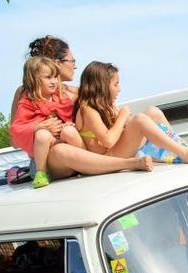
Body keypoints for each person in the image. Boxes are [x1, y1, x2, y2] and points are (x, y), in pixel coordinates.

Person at [10, 36, 160, 179]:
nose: (75, 66)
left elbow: (112, 119)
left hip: (85, 158)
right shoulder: (26, 92)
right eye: (72, 60)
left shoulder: (77, 93)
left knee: (149, 114)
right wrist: (37, 128)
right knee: (60, 150)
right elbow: (14, 141)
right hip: (52, 162)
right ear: (57, 63)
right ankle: (128, 163)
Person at [74, 61, 188, 164]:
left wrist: (124, 121)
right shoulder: (87, 109)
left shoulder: (106, 106)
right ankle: (185, 154)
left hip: (118, 150)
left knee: (153, 112)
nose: (119, 89)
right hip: (108, 159)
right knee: (139, 119)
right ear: (102, 86)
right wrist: (122, 116)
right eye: (116, 84)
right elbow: (108, 141)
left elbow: (118, 132)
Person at [8, 57, 85, 188]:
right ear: (34, 79)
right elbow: (17, 130)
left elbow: (74, 120)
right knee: (42, 134)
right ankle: (41, 173)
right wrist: (36, 127)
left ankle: (84, 162)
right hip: (49, 154)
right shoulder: (27, 103)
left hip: (65, 144)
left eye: (55, 77)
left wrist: (69, 124)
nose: (54, 81)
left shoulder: (63, 97)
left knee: (69, 131)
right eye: (48, 77)